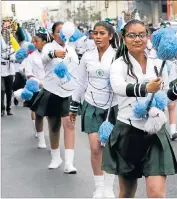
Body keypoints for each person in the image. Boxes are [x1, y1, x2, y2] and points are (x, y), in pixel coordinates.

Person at [101, 19, 177, 198]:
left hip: (155, 132)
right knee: (127, 192)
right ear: (123, 37)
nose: (137, 39)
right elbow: (118, 87)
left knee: (157, 193)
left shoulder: (158, 64)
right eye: (132, 35)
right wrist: (145, 88)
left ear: (148, 37)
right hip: (127, 133)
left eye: (141, 35)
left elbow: (164, 98)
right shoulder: (118, 64)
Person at [69, 21, 119, 198]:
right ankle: (99, 187)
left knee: (111, 148)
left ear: (111, 36)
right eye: (95, 33)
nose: (97, 37)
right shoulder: (87, 56)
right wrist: (74, 106)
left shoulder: (118, 56)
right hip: (91, 104)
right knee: (95, 147)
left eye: (102, 33)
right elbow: (80, 82)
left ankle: (109, 187)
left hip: (113, 107)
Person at [31, 21, 78, 173]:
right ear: (53, 34)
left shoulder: (71, 49)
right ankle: (55, 157)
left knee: (69, 124)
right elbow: (45, 57)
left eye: (64, 31)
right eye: (59, 31)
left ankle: (69, 163)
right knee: (54, 126)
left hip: (68, 92)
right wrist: (54, 54)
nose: (62, 34)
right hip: (52, 91)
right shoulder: (48, 47)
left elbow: (76, 71)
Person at [24, 30, 48, 146]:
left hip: (50, 87)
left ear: (44, 42)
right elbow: (28, 72)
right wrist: (38, 82)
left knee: (51, 114)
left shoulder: (51, 54)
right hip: (36, 87)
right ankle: (40, 136)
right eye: (33, 41)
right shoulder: (31, 57)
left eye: (36, 41)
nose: (34, 43)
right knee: (38, 113)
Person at [1, 22, 15, 116]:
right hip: (1, 69)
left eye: (8, 27)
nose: (6, 29)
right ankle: (2, 109)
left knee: (9, 90)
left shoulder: (13, 41)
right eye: (4, 27)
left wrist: (12, 56)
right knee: (1, 90)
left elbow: (16, 53)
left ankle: (8, 108)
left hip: (10, 69)